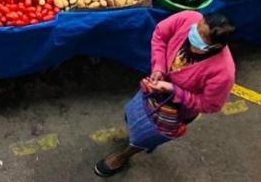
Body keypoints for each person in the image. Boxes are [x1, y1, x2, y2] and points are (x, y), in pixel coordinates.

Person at [95, 11, 236, 176]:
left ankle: (125, 155)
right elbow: (160, 35)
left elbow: (209, 105)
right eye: (197, 27)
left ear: (215, 46)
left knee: (146, 135)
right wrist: (159, 68)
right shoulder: (189, 18)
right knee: (135, 113)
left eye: (202, 35)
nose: (194, 34)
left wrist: (173, 90)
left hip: (178, 109)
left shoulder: (223, 73)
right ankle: (133, 127)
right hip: (154, 87)